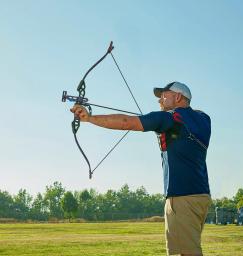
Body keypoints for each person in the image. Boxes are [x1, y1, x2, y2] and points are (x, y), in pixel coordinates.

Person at [70, 81, 211, 256]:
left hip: (181, 197)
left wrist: (89, 118)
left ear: (178, 97)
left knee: (187, 253)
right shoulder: (204, 119)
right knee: (186, 249)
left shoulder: (169, 118)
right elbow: (184, 123)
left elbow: (125, 122)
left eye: (164, 95)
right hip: (201, 196)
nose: (160, 100)